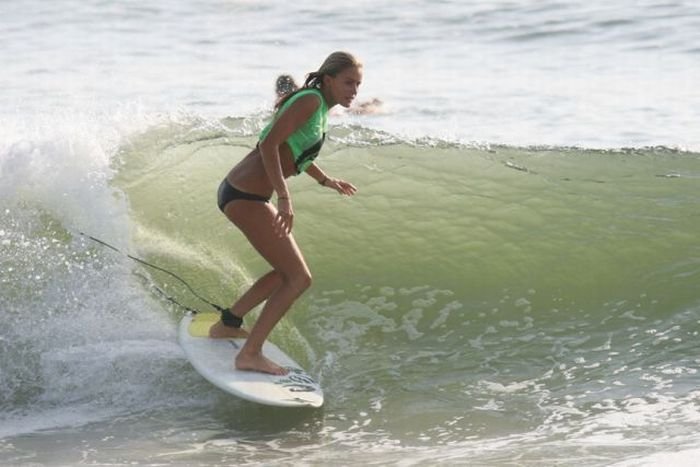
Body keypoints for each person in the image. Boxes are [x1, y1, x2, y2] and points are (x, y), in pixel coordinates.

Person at [209, 51, 362, 375]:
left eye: (358, 85)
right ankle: (249, 353)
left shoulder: (319, 108)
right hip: (246, 195)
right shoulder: (309, 101)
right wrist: (284, 196)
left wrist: (326, 180)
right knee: (299, 278)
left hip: (245, 194)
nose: (354, 90)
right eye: (349, 82)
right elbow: (267, 146)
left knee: (284, 273)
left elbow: (292, 152)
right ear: (329, 79)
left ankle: (229, 323)